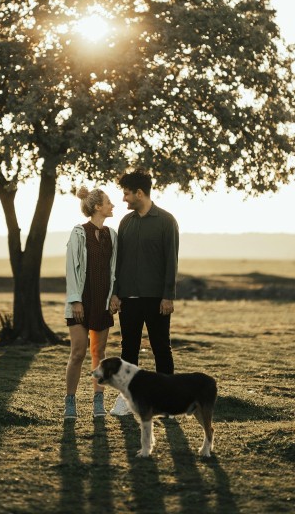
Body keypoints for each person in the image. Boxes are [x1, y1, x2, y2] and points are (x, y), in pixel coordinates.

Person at [108, 169, 179, 416]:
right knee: (129, 349)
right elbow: (118, 262)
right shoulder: (126, 222)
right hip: (128, 298)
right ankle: (127, 400)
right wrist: (115, 293)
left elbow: (172, 260)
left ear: (139, 193)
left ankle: (169, 402)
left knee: (161, 348)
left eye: (127, 194)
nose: (124, 199)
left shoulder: (166, 221)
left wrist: (168, 296)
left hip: (157, 299)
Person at [64, 185, 117, 419]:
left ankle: (98, 401)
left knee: (99, 352)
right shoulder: (78, 233)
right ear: (98, 207)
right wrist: (75, 300)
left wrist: (115, 295)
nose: (112, 205)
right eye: (108, 202)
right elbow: (71, 269)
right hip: (81, 302)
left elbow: (115, 269)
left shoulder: (111, 235)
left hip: (102, 302)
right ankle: (70, 402)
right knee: (78, 352)